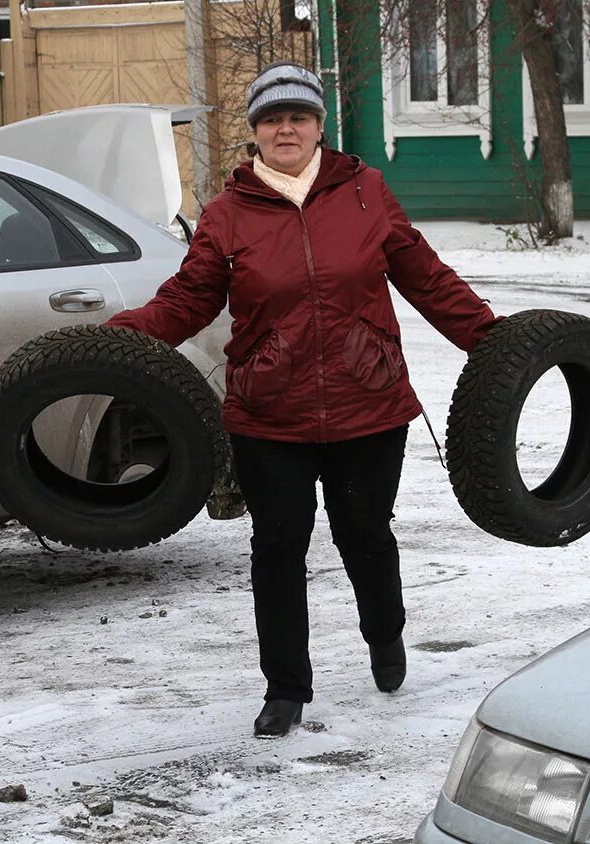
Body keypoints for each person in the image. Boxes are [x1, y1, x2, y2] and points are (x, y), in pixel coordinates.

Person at [105, 62, 499, 738]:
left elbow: (425, 277)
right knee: (277, 547)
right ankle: (286, 687)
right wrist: (115, 341)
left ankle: (385, 637)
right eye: (271, 118)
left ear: (319, 126)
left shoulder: (367, 192)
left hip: (367, 406)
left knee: (365, 537)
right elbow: (189, 299)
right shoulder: (227, 214)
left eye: (299, 116)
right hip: (269, 416)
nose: (285, 127)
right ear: (254, 131)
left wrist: (496, 343)